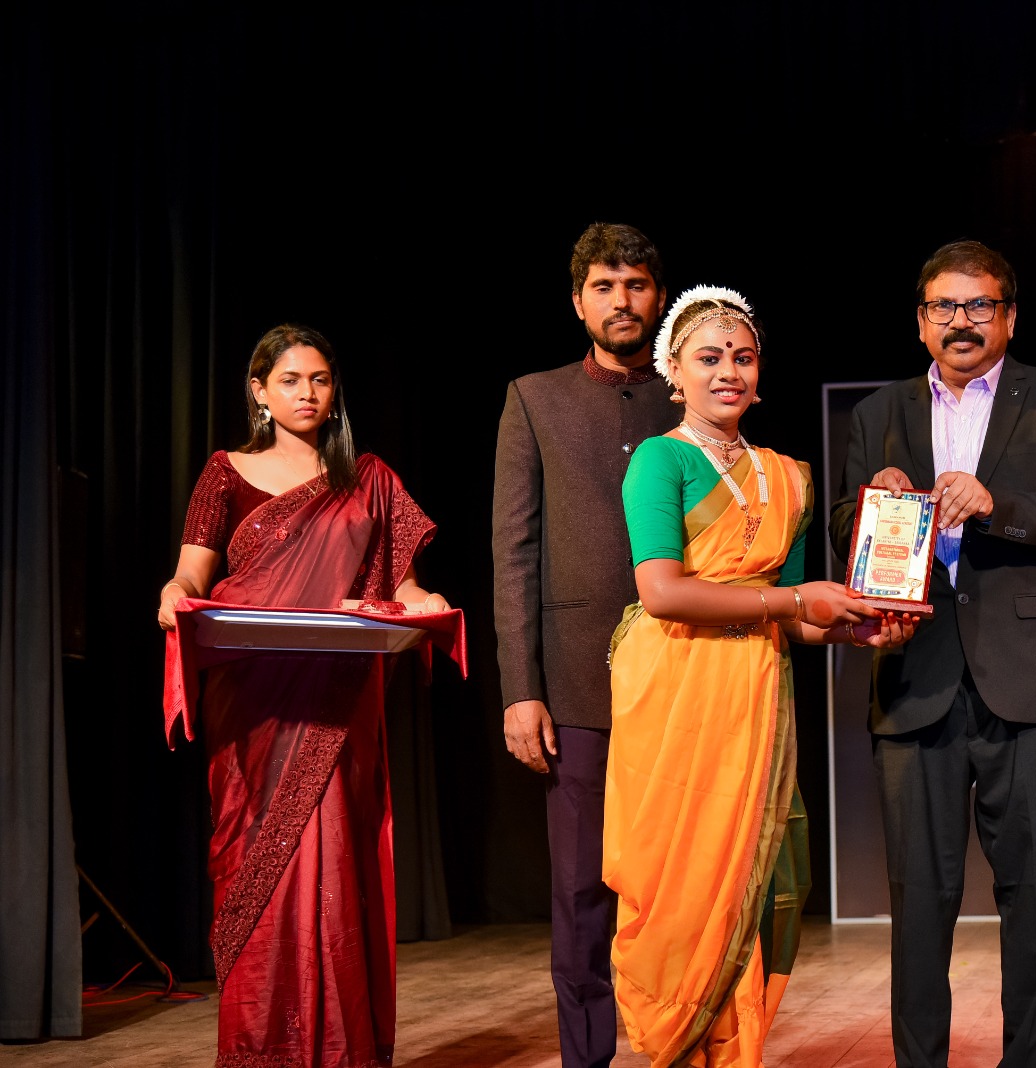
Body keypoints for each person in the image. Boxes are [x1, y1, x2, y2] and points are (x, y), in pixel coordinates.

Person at [605, 285, 915, 1067]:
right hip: (676, 692)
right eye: (708, 358)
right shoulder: (660, 459)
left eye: (742, 358)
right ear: (675, 372)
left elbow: (797, 614)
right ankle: (681, 1047)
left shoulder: (788, 477)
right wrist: (795, 600)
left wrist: (854, 625)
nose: (728, 372)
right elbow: (661, 590)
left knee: (775, 880)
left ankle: (740, 1050)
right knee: (684, 883)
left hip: (756, 696)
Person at [827, 239, 1036, 1068]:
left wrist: (996, 504)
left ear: (1008, 316)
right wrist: (870, 506)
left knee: (1032, 897)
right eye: (944, 307)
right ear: (920, 321)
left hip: (1033, 680)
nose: (962, 321)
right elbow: (846, 530)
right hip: (913, 676)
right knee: (919, 899)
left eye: (979, 305)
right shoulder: (877, 412)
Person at [156, 323, 454, 1068]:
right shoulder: (225, 473)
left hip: (337, 695)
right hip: (254, 696)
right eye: (289, 380)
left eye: (319, 380)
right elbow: (193, 573)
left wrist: (423, 602)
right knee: (257, 853)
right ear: (259, 390)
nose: (307, 393)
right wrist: (173, 593)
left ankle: (339, 1046)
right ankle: (261, 1043)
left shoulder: (368, 478)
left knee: (336, 851)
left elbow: (401, 582)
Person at [492, 221, 679, 1067]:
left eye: (635, 284)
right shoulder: (535, 398)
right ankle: (588, 1059)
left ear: (659, 296)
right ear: (578, 302)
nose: (621, 301)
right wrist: (520, 688)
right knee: (579, 891)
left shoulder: (695, 390)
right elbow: (514, 551)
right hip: (575, 678)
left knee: (681, 881)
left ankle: (682, 1044)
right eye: (604, 287)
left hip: (685, 668)